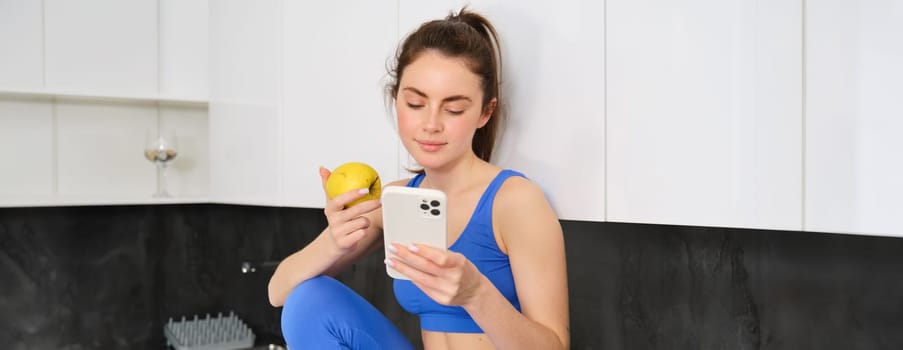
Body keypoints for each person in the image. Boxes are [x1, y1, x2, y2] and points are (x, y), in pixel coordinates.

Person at [267, 7, 569, 350]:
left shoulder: (514, 201)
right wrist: (336, 240)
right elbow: (279, 292)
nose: (431, 124)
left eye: (453, 109)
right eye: (415, 103)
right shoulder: (398, 200)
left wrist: (476, 294)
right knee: (310, 299)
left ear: (485, 112)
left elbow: (554, 345)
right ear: (396, 100)